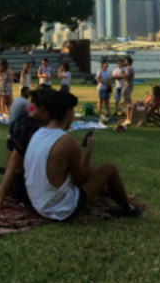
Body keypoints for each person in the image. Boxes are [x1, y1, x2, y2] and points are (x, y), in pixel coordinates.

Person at [24, 91, 146, 221]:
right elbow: (80, 180)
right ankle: (128, 208)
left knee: (92, 169)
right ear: (68, 113)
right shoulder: (68, 142)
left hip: (38, 202)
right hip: (58, 209)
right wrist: (88, 151)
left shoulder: (39, 133)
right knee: (108, 169)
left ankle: (124, 198)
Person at [0, 89, 53, 213]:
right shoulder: (29, 130)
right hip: (21, 186)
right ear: (42, 109)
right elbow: (12, 166)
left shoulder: (23, 118)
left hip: (17, 182)